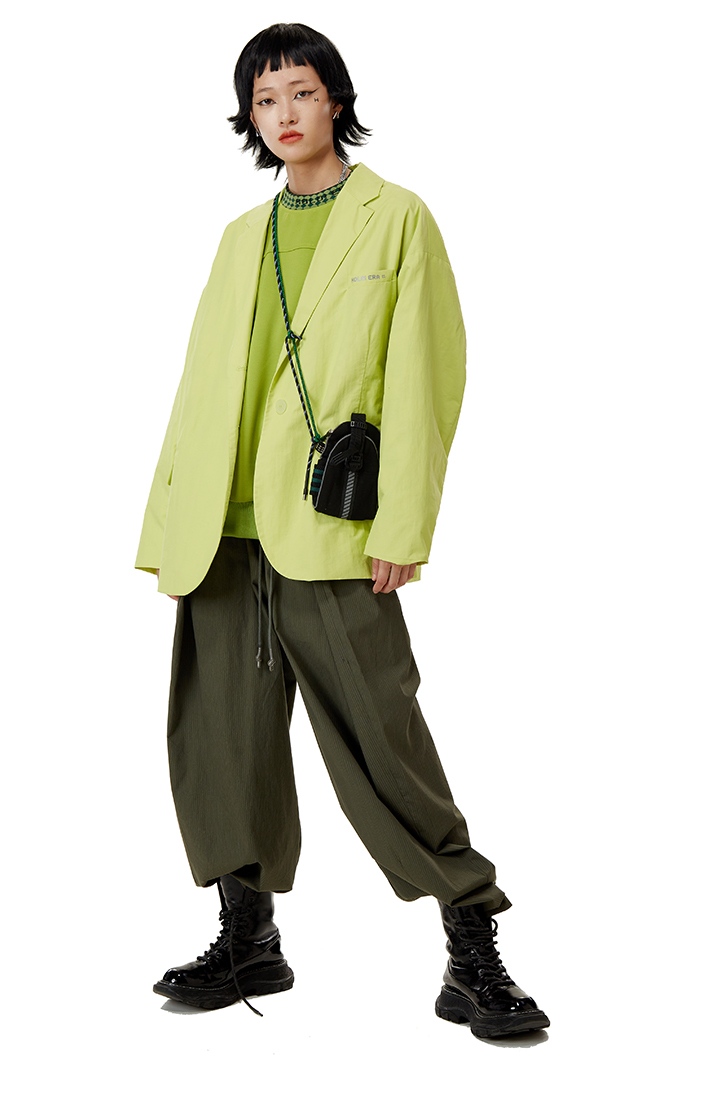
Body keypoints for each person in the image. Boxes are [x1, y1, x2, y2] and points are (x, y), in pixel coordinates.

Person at [135, 22, 549, 1040]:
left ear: (336, 101)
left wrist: (403, 522)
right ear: (250, 118)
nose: (284, 114)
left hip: (334, 527)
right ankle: (248, 938)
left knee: (383, 741)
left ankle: (471, 944)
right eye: (265, 99)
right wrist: (169, 525)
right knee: (221, 741)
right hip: (223, 535)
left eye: (302, 92)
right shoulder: (241, 236)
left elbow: (426, 379)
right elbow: (198, 389)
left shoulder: (397, 218)